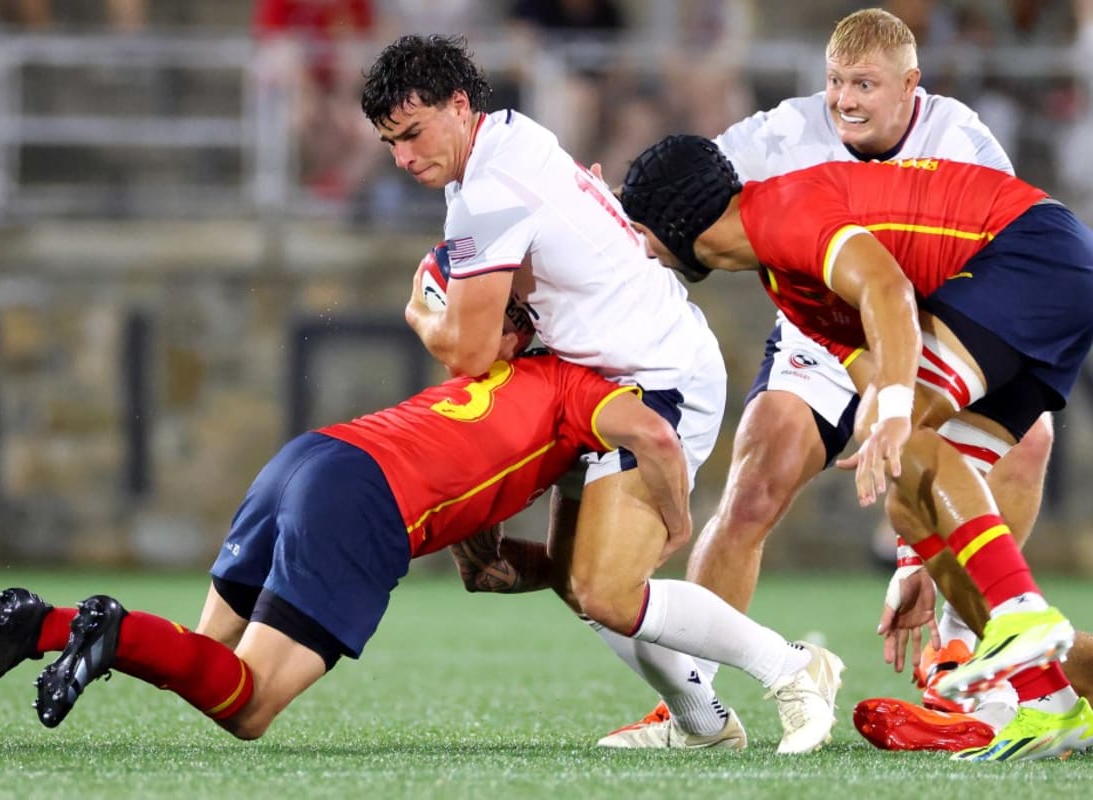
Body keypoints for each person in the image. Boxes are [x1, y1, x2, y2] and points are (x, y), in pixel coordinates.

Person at [0, 334, 838, 748]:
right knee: (249, 708)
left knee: (204, 656)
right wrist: (677, 521)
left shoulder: (492, 375)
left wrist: (529, 563)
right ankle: (101, 626)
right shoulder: (580, 386)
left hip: (308, 458)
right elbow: (645, 432)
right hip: (360, 503)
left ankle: (49, 622)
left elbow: (499, 557)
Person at [589, 6, 1057, 751]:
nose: (845, 100)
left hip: (924, 325)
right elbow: (683, 188)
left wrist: (900, 401)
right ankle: (693, 706)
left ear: (913, 87)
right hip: (822, 336)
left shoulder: (963, 138)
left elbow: (975, 272)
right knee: (752, 487)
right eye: (836, 81)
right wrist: (600, 212)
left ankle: (962, 649)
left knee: (1028, 439)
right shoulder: (780, 133)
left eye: (865, 85)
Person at [360, 33, 843, 753]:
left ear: (459, 105)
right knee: (576, 580)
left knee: (607, 590)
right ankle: (702, 725)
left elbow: (468, 350)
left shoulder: (489, 189)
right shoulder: (509, 142)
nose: (402, 157)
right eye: (389, 142)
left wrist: (420, 312)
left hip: (656, 377)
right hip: (608, 376)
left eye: (412, 132)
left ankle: (794, 668)